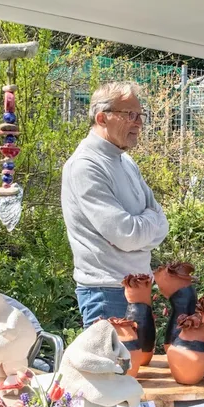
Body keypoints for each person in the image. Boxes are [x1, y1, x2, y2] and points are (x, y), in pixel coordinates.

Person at [61, 82, 169, 327]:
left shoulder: (126, 161)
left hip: (136, 290)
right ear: (102, 118)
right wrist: (145, 225)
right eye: (130, 115)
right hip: (106, 293)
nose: (139, 123)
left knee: (135, 366)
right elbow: (127, 235)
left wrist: (143, 227)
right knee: (114, 367)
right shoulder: (86, 165)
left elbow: (162, 226)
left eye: (140, 115)